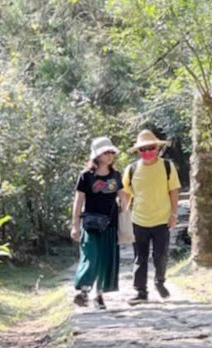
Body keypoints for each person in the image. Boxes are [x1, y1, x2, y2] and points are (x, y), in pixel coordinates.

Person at [120, 128, 181, 304]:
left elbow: (174, 192)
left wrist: (174, 214)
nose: (147, 152)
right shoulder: (131, 169)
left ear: (158, 148)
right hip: (138, 220)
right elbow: (125, 194)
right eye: (143, 149)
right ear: (138, 151)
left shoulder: (167, 167)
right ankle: (140, 292)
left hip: (162, 219)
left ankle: (159, 282)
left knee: (160, 255)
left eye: (151, 148)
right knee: (140, 258)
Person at [70, 136, 123, 309]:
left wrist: (128, 204)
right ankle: (83, 291)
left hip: (111, 224)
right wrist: (75, 225)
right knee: (90, 257)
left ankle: (98, 295)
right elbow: (78, 202)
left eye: (111, 152)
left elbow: (123, 198)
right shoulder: (86, 176)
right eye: (105, 152)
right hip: (91, 224)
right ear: (97, 155)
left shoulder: (116, 176)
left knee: (105, 260)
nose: (109, 155)